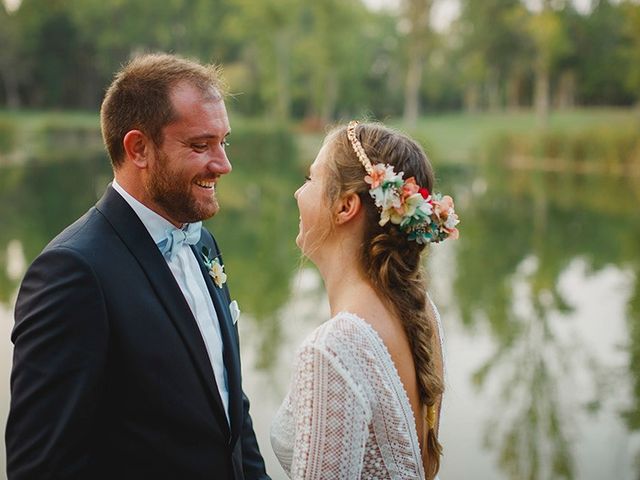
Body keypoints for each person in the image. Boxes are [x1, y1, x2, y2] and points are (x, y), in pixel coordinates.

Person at [6, 53, 270, 480]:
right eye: (201, 145)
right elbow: (42, 466)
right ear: (138, 148)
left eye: (225, 142)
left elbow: (229, 408)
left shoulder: (203, 241)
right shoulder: (72, 272)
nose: (223, 164)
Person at [270, 121, 459, 479]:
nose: (298, 193)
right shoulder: (422, 312)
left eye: (311, 179)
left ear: (345, 206)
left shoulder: (332, 349)